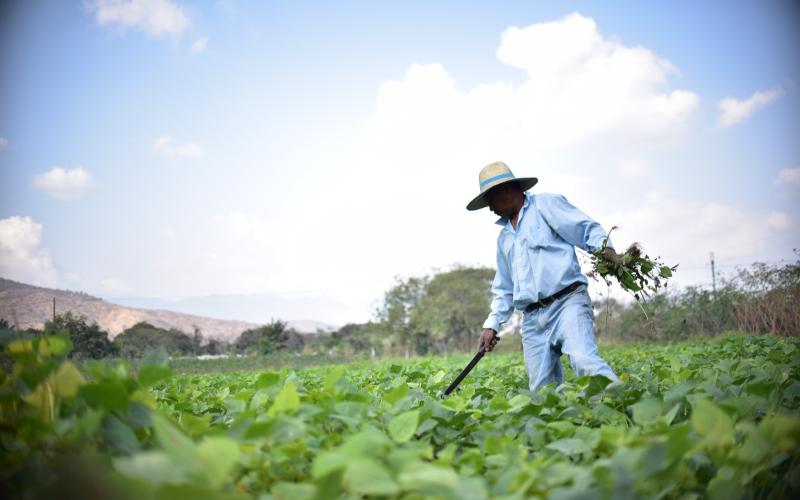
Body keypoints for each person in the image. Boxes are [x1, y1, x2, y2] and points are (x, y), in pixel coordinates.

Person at [467, 161, 620, 393]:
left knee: (584, 361)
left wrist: (608, 252)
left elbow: (585, 229)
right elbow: (505, 289)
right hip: (531, 318)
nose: (490, 209)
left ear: (506, 190)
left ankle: (624, 405)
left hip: (566, 302)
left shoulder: (545, 205)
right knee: (541, 390)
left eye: (491, 201)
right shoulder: (504, 238)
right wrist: (492, 326)